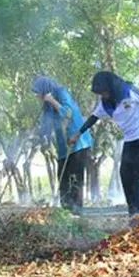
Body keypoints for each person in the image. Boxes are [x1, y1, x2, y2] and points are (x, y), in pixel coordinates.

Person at [69, 71, 139, 216]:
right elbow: (93, 118)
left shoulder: (129, 90)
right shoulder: (105, 104)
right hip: (129, 138)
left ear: (111, 87)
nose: (102, 95)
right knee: (126, 175)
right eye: (100, 93)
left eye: (104, 92)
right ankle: (133, 213)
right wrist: (77, 134)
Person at [32, 76, 94, 215]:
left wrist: (51, 100)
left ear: (45, 90)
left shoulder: (61, 92)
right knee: (63, 179)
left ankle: (77, 212)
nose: (37, 96)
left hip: (77, 142)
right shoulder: (46, 106)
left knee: (75, 179)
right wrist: (39, 138)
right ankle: (66, 212)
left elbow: (68, 113)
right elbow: (45, 126)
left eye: (38, 93)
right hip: (63, 148)